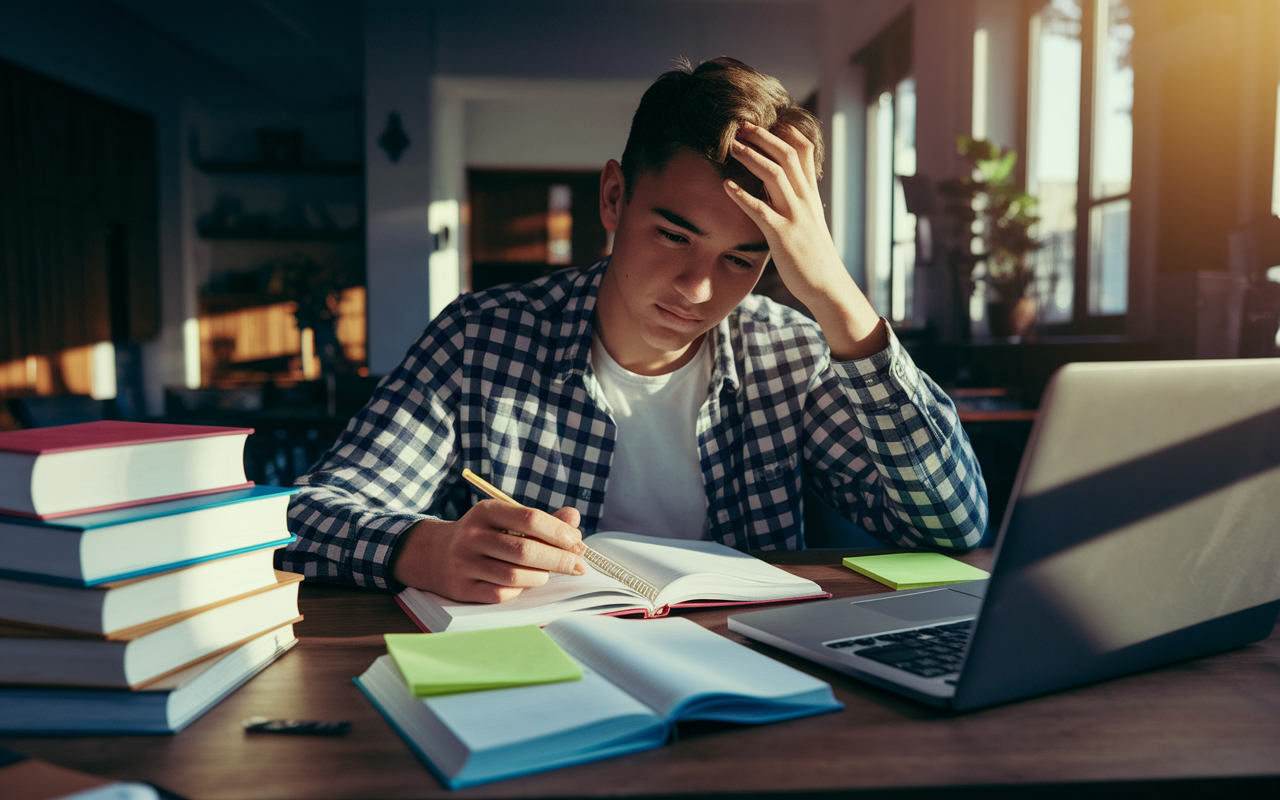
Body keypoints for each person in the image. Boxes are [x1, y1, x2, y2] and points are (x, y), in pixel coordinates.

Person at [280, 57, 987, 602]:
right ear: (614, 197)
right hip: (542, 680)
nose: (700, 289)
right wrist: (426, 549)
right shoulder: (481, 339)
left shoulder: (789, 355)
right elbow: (306, 516)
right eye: (675, 236)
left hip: (746, 683)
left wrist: (835, 291)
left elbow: (950, 526)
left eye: (743, 258)